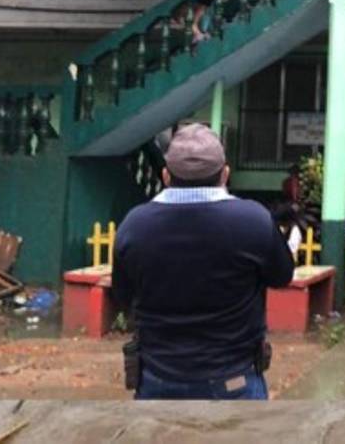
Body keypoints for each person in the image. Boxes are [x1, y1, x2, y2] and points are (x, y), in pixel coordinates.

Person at [112, 124, 295, 400]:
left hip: (158, 381)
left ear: (166, 176)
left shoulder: (134, 225)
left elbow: (123, 296)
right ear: (225, 174)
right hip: (235, 382)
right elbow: (282, 276)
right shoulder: (254, 221)